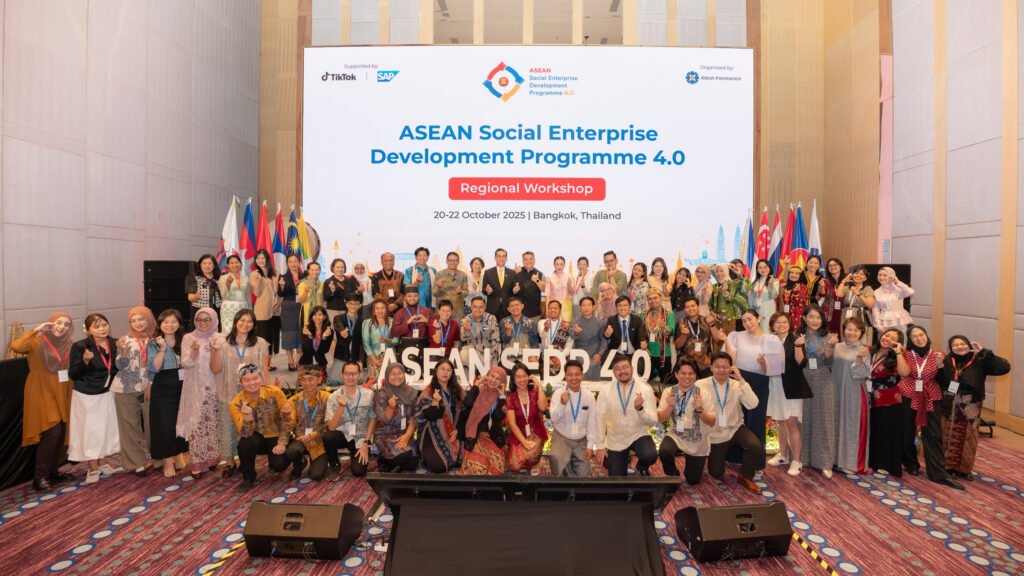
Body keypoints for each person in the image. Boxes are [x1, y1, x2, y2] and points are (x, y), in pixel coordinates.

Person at [13, 313, 75, 491]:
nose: (61, 326)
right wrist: (36, 330)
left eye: (66, 324)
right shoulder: (36, 342)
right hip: (41, 388)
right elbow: (17, 346)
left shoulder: (69, 344)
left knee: (61, 430)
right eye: (58, 322)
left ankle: (53, 472)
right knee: (52, 431)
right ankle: (39, 477)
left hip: (62, 388)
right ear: (51, 323)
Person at [896, 325, 963, 489]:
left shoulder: (938, 355)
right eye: (914, 337)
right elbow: (902, 373)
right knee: (906, 431)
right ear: (910, 340)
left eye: (921, 334)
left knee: (933, 434)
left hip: (931, 395)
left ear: (926, 335)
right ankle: (910, 463)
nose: (919, 338)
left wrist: (941, 367)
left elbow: (947, 382)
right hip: (908, 393)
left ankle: (938, 473)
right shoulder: (906, 354)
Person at [939, 335, 1010, 480]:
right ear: (951, 348)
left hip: (971, 403)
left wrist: (984, 352)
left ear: (968, 345)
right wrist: (938, 366)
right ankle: (948, 467)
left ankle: (965, 469)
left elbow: (1004, 368)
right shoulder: (947, 360)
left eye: (962, 344)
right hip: (950, 402)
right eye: (955, 345)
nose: (959, 347)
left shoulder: (979, 360)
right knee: (948, 434)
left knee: (969, 436)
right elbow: (941, 380)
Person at [210, 309, 271, 476]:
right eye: (242, 320)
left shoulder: (260, 344)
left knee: (247, 429)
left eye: (249, 321)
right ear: (236, 321)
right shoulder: (222, 344)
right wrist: (214, 350)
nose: (245, 324)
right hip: (228, 392)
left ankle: (244, 461)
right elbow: (215, 369)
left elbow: (264, 369)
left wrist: (268, 391)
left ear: (254, 324)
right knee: (227, 428)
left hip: (252, 395)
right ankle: (229, 462)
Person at [724, 309, 784, 472]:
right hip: (738, 379)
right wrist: (726, 341)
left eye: (750, 319)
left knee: (756, 421)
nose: (747, 323)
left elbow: (774, 369)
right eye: (744, 320)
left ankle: (756, 463)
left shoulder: (771, 339)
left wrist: (764, 363)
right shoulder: (735, 336)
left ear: (759, 318)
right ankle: (735, 457)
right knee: (737, 419)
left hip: (759, 382)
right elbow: (731, 360)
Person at [68, 314, 121, 484]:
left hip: (107, 392)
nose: (102, 329)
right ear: (88, 329)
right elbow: (73, 374)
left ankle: (104, 462)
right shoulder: (81, 346)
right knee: (90, 432)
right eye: (96, 326)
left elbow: (118, 368)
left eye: (104, 324)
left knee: (106, 429)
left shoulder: (115, 343)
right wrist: (85, 361)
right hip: (87, 395)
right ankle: (93, 467)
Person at [705, 353, 763, 493]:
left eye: (725, 367)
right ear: (711, 367)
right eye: (717, 366)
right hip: (715, 433)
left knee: (754, 445)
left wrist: (742, 380)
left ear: (731, 368)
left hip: (735, 428)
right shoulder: (701, 385)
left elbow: (753, 404)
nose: (721, 370)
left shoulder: (737, 385)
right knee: (716, 473)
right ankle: (712, 458)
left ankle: (746, 476)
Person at [230, 364, 293, 491]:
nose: (252, 383)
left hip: (275, 434)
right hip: (256, 438)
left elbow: (287, 421)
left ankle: (295, 460)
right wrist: (247, 418)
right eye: (247, 380)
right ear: (240, 382)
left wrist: (281, 443)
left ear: (261, 378)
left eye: (255, 378)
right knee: (244, 444)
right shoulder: (236, 403)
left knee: (279, 465)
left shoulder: (275, 392)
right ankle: (248, 476)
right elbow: (245, 434)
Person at [111, 306, 157, 477]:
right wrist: (122, 350)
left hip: (149, 387)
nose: (138, 323)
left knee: (153, 424)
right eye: (133, 320)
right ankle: (136, 462)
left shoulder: (156, 340)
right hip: (125, 387)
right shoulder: (124, 340)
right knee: (130, 427)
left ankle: (158, 458)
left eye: (141, 319)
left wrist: (150, 384)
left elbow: (157, 365)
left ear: (148, 320)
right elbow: (120, 366)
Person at [765, 312, 812, 476]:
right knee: (779, 422)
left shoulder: (794, 340)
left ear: (789, 324)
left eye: (784, 322)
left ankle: (796, 460)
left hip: (792, 387)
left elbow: (801, 363)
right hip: (775, 385)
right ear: (772, 325)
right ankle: (783, 455)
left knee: (791, 424)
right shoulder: (770, 340)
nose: (781, 325)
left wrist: (799, 347)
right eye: (777, 322)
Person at [657, 359, 718, 484]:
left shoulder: (704, 394)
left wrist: (700, 410)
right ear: (676, 374)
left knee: (693, 480)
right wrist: (669, 406)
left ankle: (695, 468)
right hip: (676, 435)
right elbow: (660, 418)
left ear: (695, 375)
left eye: (690, 374)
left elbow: (712, 421)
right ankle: (673, 474)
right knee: (664, 451)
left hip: (698, 441)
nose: (687, 377)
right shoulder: (669, 392)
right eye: (683, 373)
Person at [594, 355, 657, 476]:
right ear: (613, 371)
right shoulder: (605, 390)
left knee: (649, 455)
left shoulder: (645, 389)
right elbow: (599, 419)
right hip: (615, 438)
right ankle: (623, 462)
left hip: (638, 434)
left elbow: (653, 421)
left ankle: (642, 466)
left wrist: (640, 409)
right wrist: (600, 446)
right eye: (617, 368)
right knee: (617, 479)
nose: (622, 371)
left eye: (625, 367)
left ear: (632, 368)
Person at [178, 308, 221, 479]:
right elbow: (186, 363)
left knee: (213, 424)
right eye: (199, 320)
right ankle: (196, 462)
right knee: (196, 425)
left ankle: (212, 459)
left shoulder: (219, 338)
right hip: (195, 388)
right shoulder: (189, 338)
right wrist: (195, 350)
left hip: (214, 387)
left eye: (207, 320)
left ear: (214, 320)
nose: (203, 323)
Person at [146, 310, 189, 477]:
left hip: (183, 384)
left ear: (179, 324)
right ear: (160, 324)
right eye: (165, 322)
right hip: (163, 385)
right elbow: (153, 368)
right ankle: (167, 460)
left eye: (173, 322)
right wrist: (163, 350)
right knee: (164, 424)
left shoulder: (185, 340)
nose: (169, 325)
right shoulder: (154, 343)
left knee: (180, 421)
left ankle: (178, 453)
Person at [799, 304, 840, 478]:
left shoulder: (829, 337)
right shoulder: (798, 336)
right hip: (803, 378)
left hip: (823, 379)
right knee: (805, 418)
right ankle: (803, 457)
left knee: (824, 420)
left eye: (818, 317)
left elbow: (829, 361)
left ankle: (825, 462)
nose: (815, 321)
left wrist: (831, 346)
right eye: (811, 317)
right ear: (804, 318)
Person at [832, 317, 871, 474]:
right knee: (836, 425)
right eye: (849, 329)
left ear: (861, 332)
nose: (852, 333)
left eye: (856, 330)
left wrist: (861, 357)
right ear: (843, 329)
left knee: (851, 427)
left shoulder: (864, 350)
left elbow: (861, 375)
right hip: (836, 390)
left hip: (854, 393)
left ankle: (851, 463)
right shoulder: (836, 346)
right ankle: (835, 459)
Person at [323, 361, 375, 480]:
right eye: (347, 374)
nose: (350, 377)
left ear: (359, 375)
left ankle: (355, 455)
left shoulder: (369, 394)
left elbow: (372, 419)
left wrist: (366, 443)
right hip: (343, 434)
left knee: (359, 471)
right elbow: (331, 427)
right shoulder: (333, 397)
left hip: (361, 437)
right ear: (342, 375)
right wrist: (340, 407)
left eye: (353, 374)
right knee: (328, 436)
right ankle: (335, 464)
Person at [415, 359, 466, 473]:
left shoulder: (458, 390)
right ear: (436, 371)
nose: (445, 372)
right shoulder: (428, 392)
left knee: (464, 461)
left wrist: (458, 430)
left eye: (448, 370)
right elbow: (429, 416)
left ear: (452, 373)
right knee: (440, 466)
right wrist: (435, 402)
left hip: (453, 434)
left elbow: (466, 413)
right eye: (442, 369)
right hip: (432, 435)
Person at [549, 360, 598, 477]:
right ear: (565, 376)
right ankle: (566, 476)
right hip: (562, 436)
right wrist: (562, 404)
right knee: (557, 461)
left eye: (577, 374)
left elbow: (592, 422)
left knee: (584, 476)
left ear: (582, 376)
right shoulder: (558, 394)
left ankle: (572, 471)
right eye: (570, 374)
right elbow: (554, 419)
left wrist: (590, 446)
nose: (573, 378)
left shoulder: (589, 396)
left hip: (581, 439)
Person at [868, 328, 907, 476]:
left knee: (887, 432)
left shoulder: (898, 355)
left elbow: (904, 373)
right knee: (874, 430)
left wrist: (898, 352)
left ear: (897, 342)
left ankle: (887, 464)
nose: (887, 338)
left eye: (893, 338)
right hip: (870, 397)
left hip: (889, 399)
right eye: (886, 335)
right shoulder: (870, 350)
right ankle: (873, 461)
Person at [457, 367, 509, 475]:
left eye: (498, 379)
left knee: (497, 469)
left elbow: (497, 417)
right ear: (487, 376)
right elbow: (467, 403)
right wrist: (477, 383)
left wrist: (502, 396)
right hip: (474, 435)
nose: (493, 380)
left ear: (502, 382)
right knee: (478, 469)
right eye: (492, 376)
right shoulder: (478, 390)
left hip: (491, 436)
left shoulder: (501, 396)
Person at [372, 363, 421, 472]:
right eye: (393, 374)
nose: (397, 376)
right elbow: (382, 421)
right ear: (387, 376)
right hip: (386, 435)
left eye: (400, 373)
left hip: (405, 434)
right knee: (405, 457)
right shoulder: (382, 394)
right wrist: (390, 407)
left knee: (414, 461)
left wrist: (407, 435)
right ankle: (385, 460)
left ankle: (390, 463)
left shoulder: (411, 392)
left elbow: (415, 417)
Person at [285, 366, 331, 480]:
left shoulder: (327, 398)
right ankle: (299, 463)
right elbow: (289, 425)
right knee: (291, 451)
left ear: (319, 380)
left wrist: (313, 435)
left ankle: (327, 460)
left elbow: (329, 424)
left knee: (317, 475)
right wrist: (286, 417)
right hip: (301, 440)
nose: (306, 383)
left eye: (310, 379)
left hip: (319, 441)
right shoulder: (293, 401)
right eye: (303, 379)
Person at [505, 363, 550, 475]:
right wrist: (524, 441)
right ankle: (529, 461)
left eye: (524, 376)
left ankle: (535, 462)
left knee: (531, 455)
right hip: (519, 434)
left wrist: (539, 387)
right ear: (513, 380)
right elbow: (512, 423)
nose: (522, 379)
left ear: (529, 377)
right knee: (514, 464)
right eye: (518, 377)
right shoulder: (511, 397)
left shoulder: (534, 392)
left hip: (536, 433)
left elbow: (543, 407)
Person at [674, 296, 724, 378]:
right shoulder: (681, 323)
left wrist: (712, 325)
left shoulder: (707, 320)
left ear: (698, 308)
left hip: (705, 360)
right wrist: (683, 335)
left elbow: (717, 340)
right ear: (684, 310)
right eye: (687, 307)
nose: (690, 309)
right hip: (686, 360)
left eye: (693, 306)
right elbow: (678, 346)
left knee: (708, 384)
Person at [391, 287, 436, 364]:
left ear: (419, 296)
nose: (412, 298)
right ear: (405, 297)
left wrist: (427, 322)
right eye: (409, 296)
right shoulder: (399, 313)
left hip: (424, 347)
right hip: (405, 347)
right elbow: (394, 332)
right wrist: (407, 323)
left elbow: (436, 330)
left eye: (415, 296)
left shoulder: (428, 311)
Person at [327, 294, 364, 385]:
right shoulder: (338, 318)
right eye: (350, 303)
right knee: (332, 381)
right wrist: (342, 331)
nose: (353, 306)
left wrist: (361, 361)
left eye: (356, 304)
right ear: (346, 304)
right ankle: (350, 378)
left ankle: (349, 377)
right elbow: (338, 325)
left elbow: (363, 343)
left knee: (363, 379)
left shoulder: (363, 321)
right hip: (342, 356)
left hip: (356, 357)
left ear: (360, 305)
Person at [250, 249, 280, 358]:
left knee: (272, 337)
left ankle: (268, 363)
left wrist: (277, 305)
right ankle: (262, 363)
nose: (260, 260)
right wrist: (259, 280)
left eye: (262, 258)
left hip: (276, 310)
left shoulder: (276, 271)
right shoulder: (254, 274)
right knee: (262, 338)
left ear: (267, 259)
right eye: (258, 258)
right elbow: (256, 293)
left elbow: (279, 290)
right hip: (262, 310)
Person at [277, 254, 304, 371]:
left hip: (302, 307)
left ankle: (299, 359)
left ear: (299, 263)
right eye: (290, 262)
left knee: (301, 333)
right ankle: (290, 360)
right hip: (288, 307)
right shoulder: (283, 277)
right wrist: (282, 287)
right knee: (289, 334)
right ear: (287, 263)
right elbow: (280, 294)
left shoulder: (304, 276)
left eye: (295, 261)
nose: (293, 264)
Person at [836, 264, 875, 344]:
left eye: (861, 274)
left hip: (861, 316)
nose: (858, 275)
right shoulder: (847, 287)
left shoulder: (868, 289)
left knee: (861, 340)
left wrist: (857, 293)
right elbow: (839, 294)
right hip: (846, 316)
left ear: (865, 278)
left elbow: (870, 304)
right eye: (856, 273)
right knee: (846, 337)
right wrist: (845, 279)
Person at [871, 266, 915, 335]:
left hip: (899, 319)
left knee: (901, 340)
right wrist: (878, 325)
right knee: (885, 342)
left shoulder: (898, 289)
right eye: (879, 275)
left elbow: (911, 292)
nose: (881, 277)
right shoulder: (877, 292)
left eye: (885, 275)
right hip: (884, 321)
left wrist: (897, 282)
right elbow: (875, 309)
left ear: (891, 276)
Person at [571, 297, 606, 380]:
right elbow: (571, 335)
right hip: (579, 353)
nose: (586, 308)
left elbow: (603, 340)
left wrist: (599, 353)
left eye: (589, 305)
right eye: (583, 305)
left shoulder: (600, 322)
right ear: (580, 308)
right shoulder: (575, 321)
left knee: (594, 364)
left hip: (594, 353)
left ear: (593, 307)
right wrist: (576, 332)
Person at [644, 291, 675, 386]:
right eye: (650, 299)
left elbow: (671, 332)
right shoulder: (644, 314)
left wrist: (663, 327)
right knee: (646, 382)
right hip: (648, 353)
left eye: (655, 298)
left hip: (664, 354)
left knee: (664, 383)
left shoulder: (669, 314)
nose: (653, 301)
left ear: (660, 298)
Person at [460, 296, 500, 367]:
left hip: (489, 353)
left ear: (485, 307)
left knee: (494, 375)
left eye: (481, 307)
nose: (478, 309)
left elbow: (496, 341)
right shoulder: (465, 320)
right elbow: (463, 339)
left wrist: (489, 358)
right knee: (464, 353)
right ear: (471, 307)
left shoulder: (492, 319)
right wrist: (467, 331)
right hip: (473, 352)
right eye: (475, 307)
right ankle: (474, 371)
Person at [362, 299, 394, 384]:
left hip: (390, 355)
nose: (380, 311)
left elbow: (397, 340)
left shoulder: (392, 321)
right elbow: (366, 343)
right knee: (375, 382)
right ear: (374, 310)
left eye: (382, 308)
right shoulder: (367, 323)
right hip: (374, 355)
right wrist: (374, 359)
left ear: (386, 309)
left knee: (390, 381)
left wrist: (388, 340)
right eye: (377, 308)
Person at [538, 300, 574, 374]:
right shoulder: (542, 322)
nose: (553, 310)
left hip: (561, 360)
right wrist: (546, 328)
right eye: (550, 308)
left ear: (560, 310)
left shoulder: (566, 325)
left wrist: (560, 357)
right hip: (546, 359)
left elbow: (569, 345)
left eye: (555, 308)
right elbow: (542, 336)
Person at [218, 255, 251, 333]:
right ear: (227, 265)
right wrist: (228, 284)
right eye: (232, 263)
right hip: (228, 308)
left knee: (243, 330)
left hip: (243, 307)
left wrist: (250, 311)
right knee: (229, 331)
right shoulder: (223, 278)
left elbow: (248, 296)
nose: (235, 265)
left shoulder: (245, 278)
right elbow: (223, 295)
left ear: (241, 264)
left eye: (237, 262)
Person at [711, 263, 748, 333]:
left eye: (721, 271)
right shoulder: (715, 286)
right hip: (717, 319)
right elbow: (711, 303)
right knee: (719, 341)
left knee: (730, 340)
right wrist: (712, 313)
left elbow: (730, 298)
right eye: (717, 271)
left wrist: (725, 292)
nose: (719, 273)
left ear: (726, 271)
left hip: (730, 318)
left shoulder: (732, 283)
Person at [433, 252, 468, 320]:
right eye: (451, 260)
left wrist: (460, 292)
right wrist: (438, 287)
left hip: (458, 311)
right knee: (441, 330)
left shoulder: (463, 275)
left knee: (457, 330)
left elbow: (466, 293)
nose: (453, 262)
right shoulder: (439, 274)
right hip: (443, 311)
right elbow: (434, 293)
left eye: (455, 260)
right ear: (446, 261)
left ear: (458, 262)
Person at [186, 254, 222, 320]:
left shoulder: (220, 278)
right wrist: (195, 297)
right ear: (200, 265)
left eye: (210, 263)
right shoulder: (193, 277)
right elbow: (190, 298)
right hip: (201, 312)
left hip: (217, 311)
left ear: (214, 265)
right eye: (204, 263)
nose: (207, 266)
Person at [482, 248, 515, 319]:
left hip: (508, 309)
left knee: (507, 330)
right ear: (495, 258)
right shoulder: (488, 272)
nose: (501, 258)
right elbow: (484, 290)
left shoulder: (512, 273)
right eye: (499, 256)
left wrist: (515, 291)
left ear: (506, 258)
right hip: (492, 308)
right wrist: (488, 291)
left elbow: (514, 291)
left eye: (503, 256)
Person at [299, 305, 333, 375]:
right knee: (304, 382)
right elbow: (305, 350)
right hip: (306, 360)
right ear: (311, 317)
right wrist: (310, 337)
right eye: (314, 315)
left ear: (324, 317)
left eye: (320, 315)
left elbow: (325, 350)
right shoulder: (306, 329)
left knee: (319, 382)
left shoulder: (328, 331)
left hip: (320, 361)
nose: (317, 317)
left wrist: (324, 338)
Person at [747, 259, 778, 332]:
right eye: (760, 267)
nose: (763, 269)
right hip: (756, 311)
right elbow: (751, 298)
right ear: (757, 270)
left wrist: (770, 285)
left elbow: (773, 296)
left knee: (767, 331)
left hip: (768, 310)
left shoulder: (774, 280)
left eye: (765, 267)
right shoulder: (755, 282)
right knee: (757, 331)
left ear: (769, 268)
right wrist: (751, 311)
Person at [514, 251, 546, 320]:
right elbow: (511, 290)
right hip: (518, 313)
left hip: (534, 314)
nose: (528, 261)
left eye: (530, 259)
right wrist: (514, 274)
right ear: (523, 261)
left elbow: (544, 289)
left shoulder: (540, 274)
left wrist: (537, 280)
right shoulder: (517, 271)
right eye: (526, 259)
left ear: (534, 260)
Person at [323, 258, 355, 325]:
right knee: (334, 332)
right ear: (333, 268)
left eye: (342, 267)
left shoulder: (349, 280)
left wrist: (358, 291)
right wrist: (332, 291)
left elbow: (352, 296)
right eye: (337, 267)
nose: (340, 269)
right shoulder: (328, 281)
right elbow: (326, 297)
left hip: (347, 310)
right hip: (333, 311)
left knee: (346, 332)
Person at [820, 258, 846, 333]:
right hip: (829, 312)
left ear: (840, 266)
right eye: (830, 266)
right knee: (829, 334)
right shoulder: (825, 281)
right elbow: (822, 295)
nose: (832, 267)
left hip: (843, 311)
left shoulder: (847, 281)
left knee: (842, 333)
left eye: (835, 265)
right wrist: (822, 287)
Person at [545, 256, 573, 321]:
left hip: (566, 307)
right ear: (554, 265)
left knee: (566, 327)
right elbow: (547, 295)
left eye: (561, 264)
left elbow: (572, 292)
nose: (559, 266)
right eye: (557, 264)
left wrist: (569, 285)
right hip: (553, 307)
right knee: (554, 327)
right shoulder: (549, 278)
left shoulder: (569, 276)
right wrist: (547, 310)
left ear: (564, 265)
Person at [297, 261, 323, 328]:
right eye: (312, 270)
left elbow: (324, 300)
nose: (315, 272)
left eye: (317, 270)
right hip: (306, 314)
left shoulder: (322, 284)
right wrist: (305, 292)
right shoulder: (303, 283)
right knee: (307, 336)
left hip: (319, 314)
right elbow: (299, 300)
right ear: (308, 271)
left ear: (320, 271)